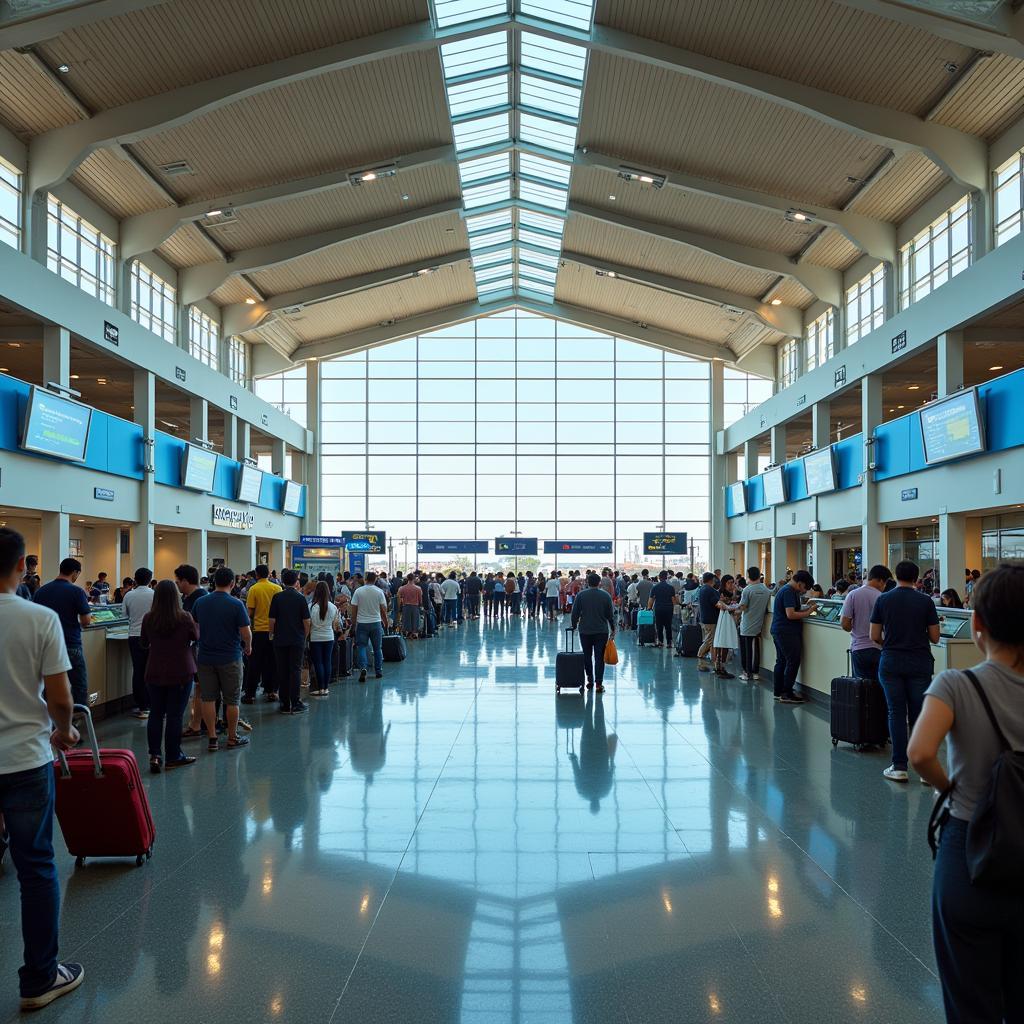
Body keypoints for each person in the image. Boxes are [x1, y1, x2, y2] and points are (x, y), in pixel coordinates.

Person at [907, 563, 1024, 1024]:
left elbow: (919, 753)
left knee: (969, 1001)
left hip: (969, 848)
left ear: (976, 624)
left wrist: (950, 786)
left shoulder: (957, 683)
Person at [0, 528, 84, 1011]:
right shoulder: (39, 618)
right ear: (20, 567)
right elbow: (59, 695)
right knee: (35, 868)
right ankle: (39, 977)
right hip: (24, 759)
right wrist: (65, 730)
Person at [870, 560, 940, 782]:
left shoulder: (883, 599)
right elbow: (935, 636)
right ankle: (924, 769)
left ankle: (899, 766)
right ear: (916, 577)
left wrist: (888, 645)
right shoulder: (926, 601)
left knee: (896, 713)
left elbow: (874, 635)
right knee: (919, 714)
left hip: (891, 661)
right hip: (919, 661)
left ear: (894, 576)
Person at [140, 580, 198, 774]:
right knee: (174, 715)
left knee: (156, 714)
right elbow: (195, 637)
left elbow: (143, 642)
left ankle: (155, 755)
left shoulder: (149, 618)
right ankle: (173, 755)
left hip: (155, 670)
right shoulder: (184, 617)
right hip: (181, 671)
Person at [193, 567, 252, 752]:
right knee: (232, 700)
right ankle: (232, 737)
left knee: (208, 698)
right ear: (232, 583)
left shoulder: (200, 602)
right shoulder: (236, 604)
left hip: (205, 657)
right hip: (230, 657)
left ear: (214, 582)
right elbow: (245, 633)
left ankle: (212, 737)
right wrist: (248, 646)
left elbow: (195, 630)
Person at [31, 558, 93, 707]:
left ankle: (50, 720)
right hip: (71, 644)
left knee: (49, 686)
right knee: (79, 685)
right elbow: (86, 620)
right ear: (76, 573)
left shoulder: (41, 591)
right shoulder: (76, 591)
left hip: (46, 647)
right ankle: (76, 720)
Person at [268, 569, 311, 715]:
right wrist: (304, 636)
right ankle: (296, 702)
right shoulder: (300, 598)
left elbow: (272, 620)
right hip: (297, 639)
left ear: (283, 581)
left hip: (280, 639)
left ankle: (284, 703)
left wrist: (272, 635)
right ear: (296, 581)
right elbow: (306, 621)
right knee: (295, 670)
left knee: (283, 670)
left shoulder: (277, 597)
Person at [770, 569, 816, 703]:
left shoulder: (787, 590)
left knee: (782, 661)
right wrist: (808, 613)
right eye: (805, 588)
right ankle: (787, 693)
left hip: (780, 630)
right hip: (786, 632)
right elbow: (790, 614)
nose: (804, 591)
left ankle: (778, 691)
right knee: (792, 661)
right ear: (800, 583)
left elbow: (793, 610)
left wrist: (806, 608)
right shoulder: (789, 591)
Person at [840, 563, 890, 682]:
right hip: (879, 648)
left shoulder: (853, 594)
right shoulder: (883, 598)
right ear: (881, 581)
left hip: (859, 648)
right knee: (879, 686)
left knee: (861, 688)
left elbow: (845, 624)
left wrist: (856, 627)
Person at [570, 573, 616, 693]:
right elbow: (610, 615)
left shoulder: (581, 595)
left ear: (587, 582)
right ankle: (598, 684)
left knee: (587, 656)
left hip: (585, 630)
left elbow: (574, 613)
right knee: (599, 657)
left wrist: (574, 625)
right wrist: (613, 628)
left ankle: (590, 680)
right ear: (599, 582)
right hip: (601, 631)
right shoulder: (605, 596)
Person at [243, 563, 281, 705]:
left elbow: (250, 612)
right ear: (269, 574)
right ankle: (272, 691)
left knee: (255, 663)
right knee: (273, 662)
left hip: (259, 631)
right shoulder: (277, 588)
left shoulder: (254, 589)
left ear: (257, 575)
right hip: (274, 631)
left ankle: (250, 694)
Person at [122, 567, 155, 719]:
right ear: (150, 579)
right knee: (152, 670)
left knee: (138, 671)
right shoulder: (154, 594)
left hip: (134, 636)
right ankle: (153, 703)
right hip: (153, 637)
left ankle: (142, 707)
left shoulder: (129, 595)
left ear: (135, 579)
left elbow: (124, 615)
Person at [348, 570, 389, 683]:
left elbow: (354, 609)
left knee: (362, 647)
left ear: (366, 579)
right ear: (375, 579)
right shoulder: (379, 592)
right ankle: (378, 671)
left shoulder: (358, 591)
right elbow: (383, 610)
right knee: (377, 649)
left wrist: (353, 623)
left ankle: (363, 668)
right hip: (376, 623)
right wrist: (385, 622)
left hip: (362, 623)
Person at [737, 566, 770, 681]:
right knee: (756, 649)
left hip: (746, 624)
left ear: (749, 575)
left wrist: (734, 608)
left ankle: (746, 673)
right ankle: (756, 672)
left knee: (746, 649)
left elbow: (743, 607)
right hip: (759, 624)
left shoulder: (747, 590)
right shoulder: (766, 590)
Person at [307, 580, 339, 697]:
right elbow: (335, 625)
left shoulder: (311, 606)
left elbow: (308, 624)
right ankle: (326, 688)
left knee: (318, 663)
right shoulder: (333, 607)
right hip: (329, 637)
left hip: (315, 638)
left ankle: (320, 688)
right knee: (327, 662)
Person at [712, 575, 739, 677]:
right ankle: (719, 666)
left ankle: (722, 666)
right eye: (729, 582)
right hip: (721, 620)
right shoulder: (720, 593)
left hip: (729, 619)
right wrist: (729, 606)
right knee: (721, 642)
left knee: (726, 642)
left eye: (732, 582)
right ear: (724, 583)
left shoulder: (733, 592)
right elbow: (721, 605)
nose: (731, 584)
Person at [696, 572, 720, 671]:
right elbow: (716, 603)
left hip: (705, 618)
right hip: (711, 618)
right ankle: (700, 654)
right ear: (712, 580)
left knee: (709, 639)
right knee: (710, 640)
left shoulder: (702, 589)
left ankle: (711, 657)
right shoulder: (710, 590)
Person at [647, 570, 677, 648]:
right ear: (666, 578)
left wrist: (649, 608)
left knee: (659, 626)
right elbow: (673, 600)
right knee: (668, 626)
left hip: (658, 608)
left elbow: (651, 599)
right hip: (668, 609)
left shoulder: (655, 587)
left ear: (659, 578)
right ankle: (669, 643)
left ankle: (660, 642)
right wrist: (672, 607)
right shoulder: (670, 588)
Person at [398, 574, 423, 639]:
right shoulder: (418, 588)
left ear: (407, 578)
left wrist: (399, 607)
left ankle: (407, 634)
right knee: (415, 621)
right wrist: (420, 605)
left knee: (406, 621)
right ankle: (414, 634)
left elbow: (399, 599)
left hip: (405, 606)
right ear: (414, 579)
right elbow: (420, 600)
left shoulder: (402, 588)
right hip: (415, 606)